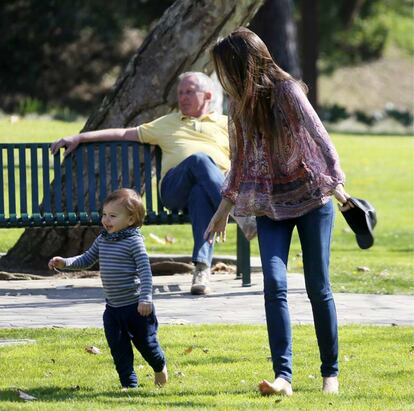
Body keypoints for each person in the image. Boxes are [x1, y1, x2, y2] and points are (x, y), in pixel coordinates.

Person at [205, 27, 353, 396]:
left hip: (311, 198)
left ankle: (329, 374)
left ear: (242, 65)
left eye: (225, 67)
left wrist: (336, 182)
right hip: (270, 205)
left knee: (318, 287)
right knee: (274, 284)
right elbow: (238, 163)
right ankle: (283, 377)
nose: (223, 76)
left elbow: (319, 135)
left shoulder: (286, 91)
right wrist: (224, 208)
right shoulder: (237, 106)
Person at [50, 71, 256, 296]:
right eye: (180, 93)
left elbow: (246, 155)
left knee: (200, 193)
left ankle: (201, 270)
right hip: (174, 189)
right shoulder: (167, 123)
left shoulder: (225, 124)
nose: (183, 97)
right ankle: (241, 215)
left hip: (210, 191)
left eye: (189, 92)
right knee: (199, 160)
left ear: (207, 95)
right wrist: (80, 137)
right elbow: (122, 133)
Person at [48, 188, 168, 389]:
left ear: (130, 220)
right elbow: (86, 259)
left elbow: (146, 272)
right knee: (118, 349)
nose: (106, 220)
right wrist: (65, 263)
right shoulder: (103, 239)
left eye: (113, 216)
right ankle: (129, 385)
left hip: (137, 308)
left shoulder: (134, 241)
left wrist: (146, 298)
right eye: (104, 215)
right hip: (113, 309)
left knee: (147, 346)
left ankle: (159, 366)